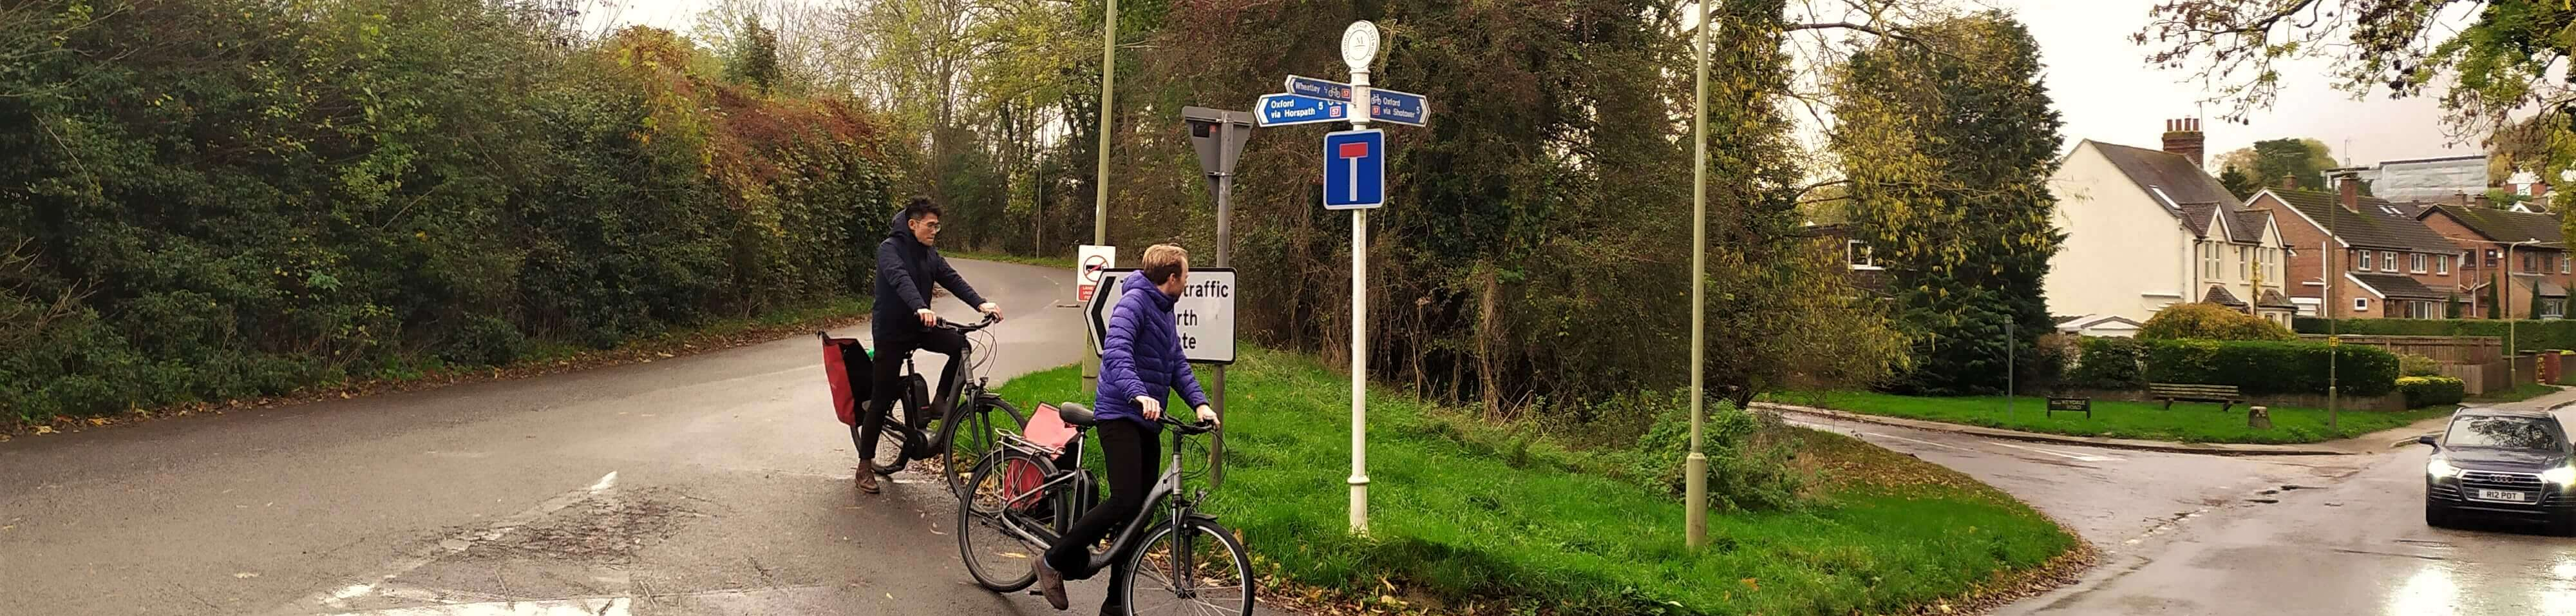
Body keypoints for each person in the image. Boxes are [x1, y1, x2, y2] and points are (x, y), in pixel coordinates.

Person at [1035, 244, 1220, 613]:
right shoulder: (1133, 303)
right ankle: (1052, 562)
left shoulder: (1164, 311)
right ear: (1172, 278)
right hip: (1120, 414)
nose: (1187, 281)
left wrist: (1199, 403)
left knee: (1140, 514)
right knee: (1126, 499)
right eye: (1185, 275)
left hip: (1148, 421)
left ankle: (1116, 604)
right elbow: (1116, 352)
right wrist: (1138, 394)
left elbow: (1176, 363)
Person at [858, 198, 1002, 495]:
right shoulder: (889, 250)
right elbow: (899, 280)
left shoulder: (929, 254)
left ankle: (940, 401)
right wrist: (920, 306)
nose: (935, 230)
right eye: (930, 225)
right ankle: (864, 465)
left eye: (938, 225)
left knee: (960, 344)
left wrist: (980, 303)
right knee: (882, 397)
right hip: (892, 333)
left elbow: (952, 279)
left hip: (920, 327)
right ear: (913, 225)